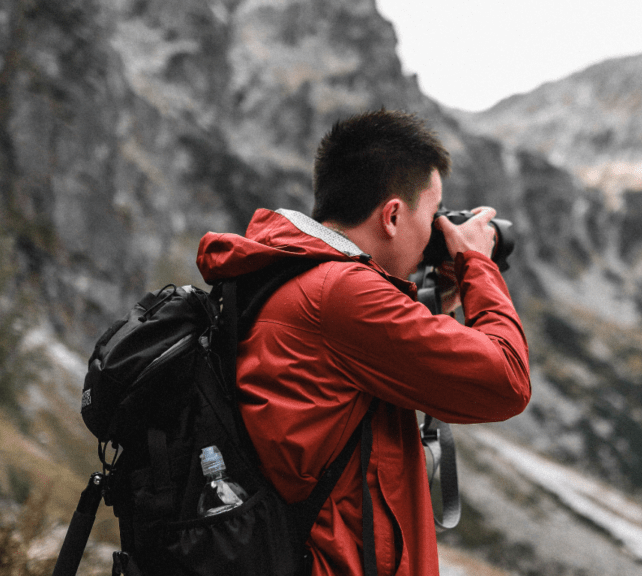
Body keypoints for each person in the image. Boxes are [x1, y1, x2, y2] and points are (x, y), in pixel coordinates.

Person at [196, 109, 531, 576]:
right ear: (392, 215)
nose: (435, 231)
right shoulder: (342, 293)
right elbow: (507, 381)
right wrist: (478, 263)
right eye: (432, 215)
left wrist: (441, 308)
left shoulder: (290, 274)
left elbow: (359, 383)